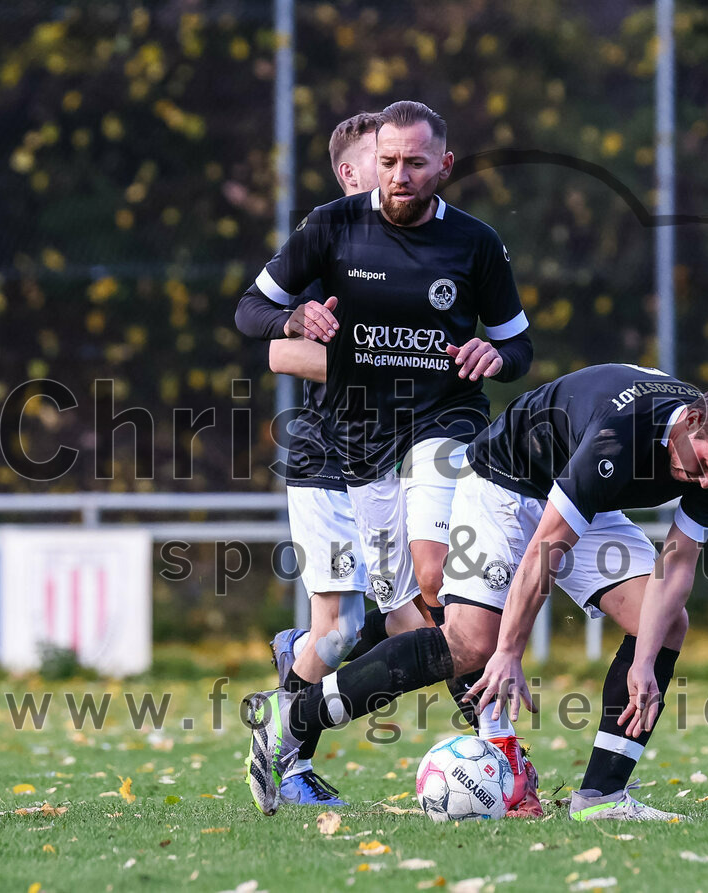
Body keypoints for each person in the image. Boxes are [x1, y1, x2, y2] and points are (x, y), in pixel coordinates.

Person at [243, 363, 708, 821]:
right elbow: (547, 550)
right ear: (694, 421)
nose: (705, 483)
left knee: (667, 623)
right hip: (505, 480)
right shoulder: (620, 434)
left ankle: (603, 794)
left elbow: (677, 565)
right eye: (704, 464)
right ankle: (292, 717)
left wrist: (646, 659)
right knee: (470, 644)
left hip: (584, 496)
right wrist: (509, 652)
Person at [236, 100, 537, 809]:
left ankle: (500, 754)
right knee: (359, 627)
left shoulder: (476, 243)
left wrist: (495, 353)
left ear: (444, 165)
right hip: (346, 446)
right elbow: (255, 316)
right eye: (389, 163)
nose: (398, 175)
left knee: (433, 582)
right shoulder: (331, 227)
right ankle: (293, 733)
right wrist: (292, 317)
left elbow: (519, 345)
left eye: (413, 163)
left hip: (442, 425)